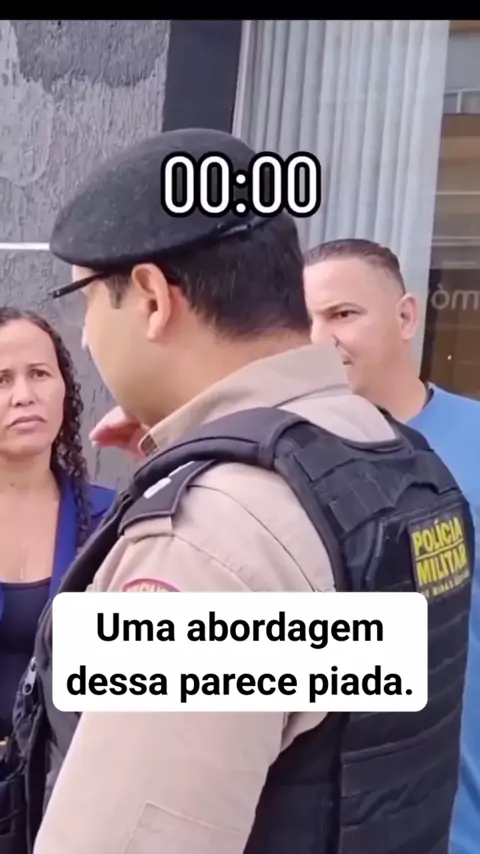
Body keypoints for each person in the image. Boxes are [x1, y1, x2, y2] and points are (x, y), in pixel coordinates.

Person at [3, 130, 474, 854]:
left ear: (152, 299)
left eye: (87, 300)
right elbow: (320, 706)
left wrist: (197, 506)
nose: (88, 336)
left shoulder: (212, 538)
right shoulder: (393, 456)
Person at [304, 237, 480, 854]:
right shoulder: (287, 458)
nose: (320, 340)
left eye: (342, 314)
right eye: (307, 321)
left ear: (406, 317)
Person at [0, 307, 116, 754]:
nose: (24, 396)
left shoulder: (111, 518)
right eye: (2, 380)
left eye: (39, 373)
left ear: (64, 387)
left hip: (65, 776)